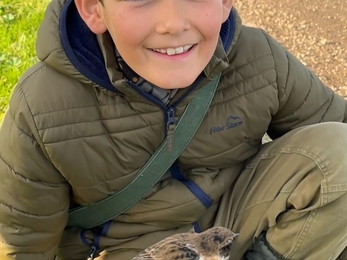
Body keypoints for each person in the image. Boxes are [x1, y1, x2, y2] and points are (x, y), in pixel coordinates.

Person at [0, 0, 346, 259]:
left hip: (229, 228)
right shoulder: (40, 107)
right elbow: (24, 245)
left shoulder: (260, 58)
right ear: (94, 9)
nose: (172, 24)